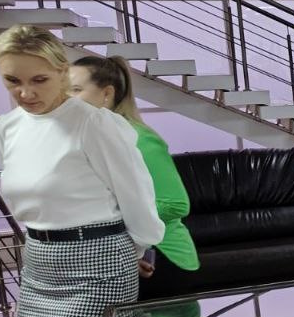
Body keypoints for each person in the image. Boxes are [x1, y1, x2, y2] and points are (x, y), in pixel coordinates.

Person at [0, 25, 164, 317]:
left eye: (39, 79)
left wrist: (135, 251)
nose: (25, 92)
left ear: (62, 72)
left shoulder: (95, 124)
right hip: (38, 263)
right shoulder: (7, 127)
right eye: (12, 81)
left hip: (99, 264)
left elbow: (136, 195)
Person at [70, 55, 200, 299]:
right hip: (117, 256)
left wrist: (113, 221)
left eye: (76, 90)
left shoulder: (139, 139)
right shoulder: (89, 137)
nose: (66, 98)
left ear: (107, 94)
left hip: (159, 258)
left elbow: (176, 203)